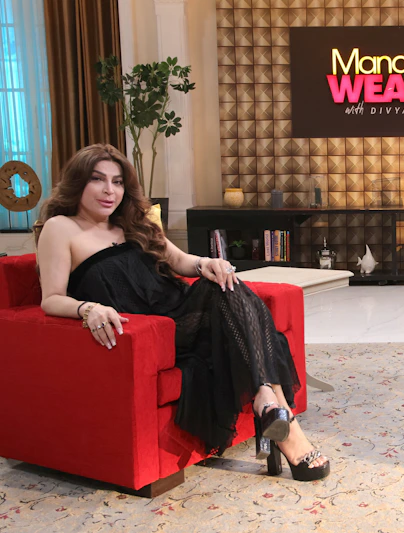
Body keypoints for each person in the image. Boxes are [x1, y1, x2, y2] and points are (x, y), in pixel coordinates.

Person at [36, 144, 329, 482]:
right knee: (233, 303)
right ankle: (284, 425)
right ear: (78, 182)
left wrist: (208, 263)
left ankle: (268, 403)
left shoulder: (133, 221)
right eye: (98, 180)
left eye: (117, 182)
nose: (109, 191)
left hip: (182, 311)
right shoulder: (61, 228)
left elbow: (179, 261)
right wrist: (87, 308)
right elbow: (51, 298)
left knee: (225, 283)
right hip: (152, 331)